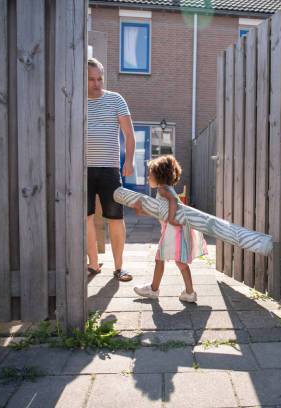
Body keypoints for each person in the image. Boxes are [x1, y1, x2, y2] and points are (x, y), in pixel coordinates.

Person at [132, 155, 208, 302]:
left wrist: (172, 218)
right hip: (175, 231)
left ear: (159, 176)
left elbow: (172, 203)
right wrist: (140, 210)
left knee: (160, 258)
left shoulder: (163, 190)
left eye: (150, 174)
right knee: (178, 261)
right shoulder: (168, 189)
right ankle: (189, 292)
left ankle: (154, 290)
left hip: (172, 231)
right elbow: (160, 211)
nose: (148, 177)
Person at [87, 57, 134, 282]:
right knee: (85, 217)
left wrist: (129, 161)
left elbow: (129, 134)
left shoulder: (116, 100)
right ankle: (93, 264)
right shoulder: (76, 100)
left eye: (99, 78)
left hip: (110, 169)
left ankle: (119, 267)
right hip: (82, 170)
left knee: (115, 217)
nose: (96, 83)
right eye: (91, 79)